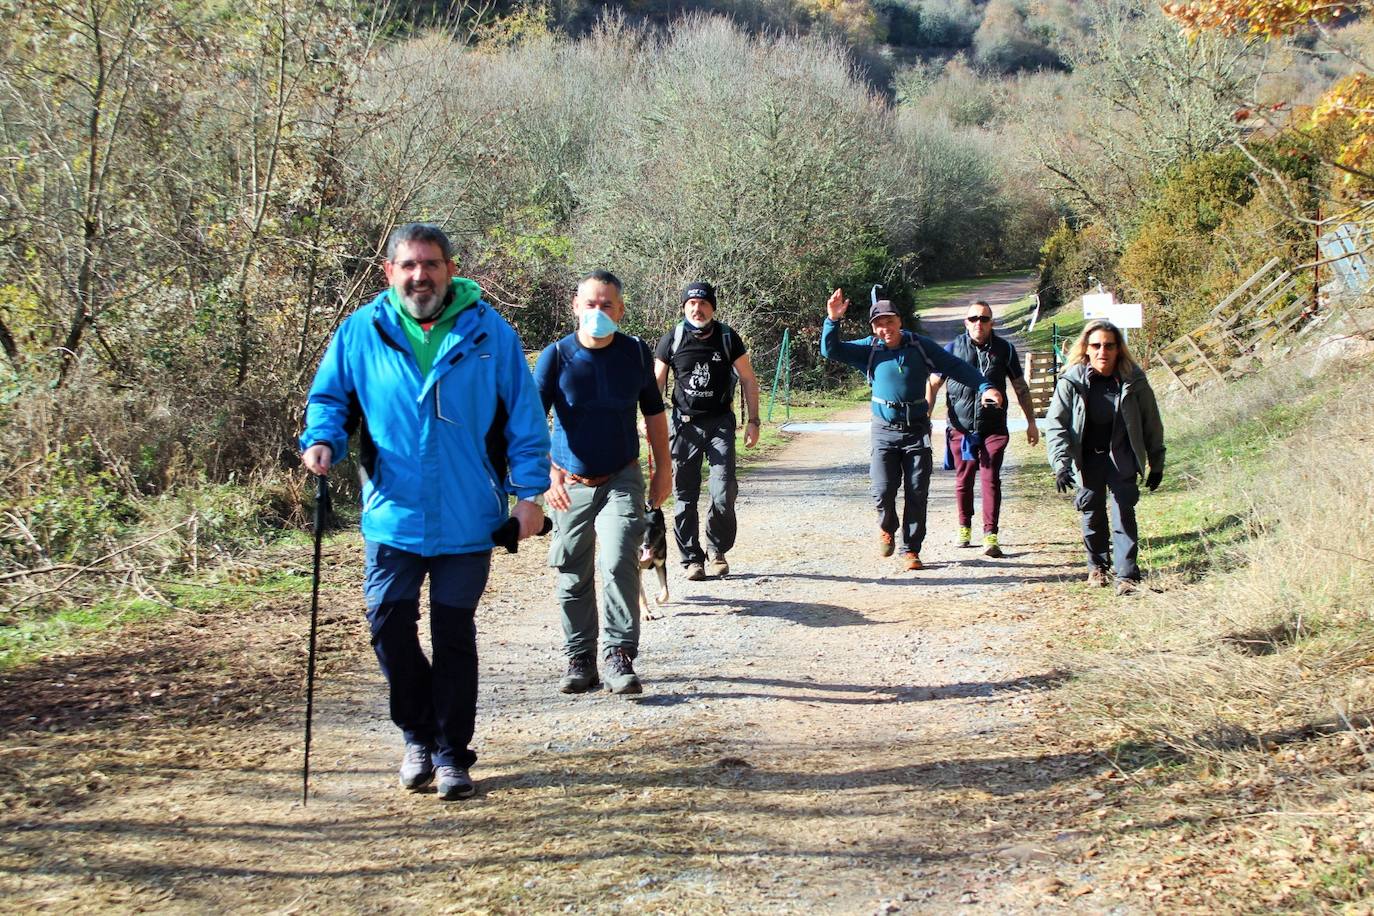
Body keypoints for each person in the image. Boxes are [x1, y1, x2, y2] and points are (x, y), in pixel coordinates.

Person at [300, 223, 550, 801]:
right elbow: (330, 401)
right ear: (390, 272)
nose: (421, 276)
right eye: (409, 265)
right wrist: (323, 441)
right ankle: (417, 734)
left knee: (453, 633)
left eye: (431, 264)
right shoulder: (361, 332)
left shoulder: (492, 333)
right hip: (392, 514)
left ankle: (452, 755)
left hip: (469, 517)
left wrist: (529, 494)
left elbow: (524, 421)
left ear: (450, 269)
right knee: (388, 627)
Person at [535, 271, 671, 696]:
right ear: (576, 307)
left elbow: (653, 414)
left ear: (621, 309)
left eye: (607, 305)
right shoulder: (555, 357)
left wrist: (663, 468)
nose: (598, 312)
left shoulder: (635, 353)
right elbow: (527, 422)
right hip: (569, 480)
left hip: (622, 477)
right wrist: (547, 472)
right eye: (590, 304)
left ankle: (619, 656)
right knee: (572, 571)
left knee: (618, 560)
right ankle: (580, 659)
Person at [820, 288, 1001, 570]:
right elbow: (830, 350)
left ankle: (911, 549)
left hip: (916, 430)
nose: (885, 328)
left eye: (889, 321)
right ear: (873, 327)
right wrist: (832, 319)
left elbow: (954, 366)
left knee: (917, 491)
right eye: (879, 324)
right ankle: (887, 526)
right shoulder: (869, 348)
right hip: (884, 430)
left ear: (900, 321)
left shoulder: (920, 346)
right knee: (883, 490)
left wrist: (984, 386)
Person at [1044, 320, 1166, 596]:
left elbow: (1151, 423)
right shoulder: (1071, 381)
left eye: (1109, 346)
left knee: (1124, 512)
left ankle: (1127, 576)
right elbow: (1056, 425)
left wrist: (1156, 463)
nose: (1103, 352)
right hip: (1086, 459)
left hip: (1121, 456)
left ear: (1118, 349)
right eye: (1096, 346)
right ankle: (1097, 567)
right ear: (1086, 349)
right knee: (1091, 512)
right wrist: (1061, 464)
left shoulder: (1133, 379)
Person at [653, 282, 762, 580]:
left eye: (703, 304)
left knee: (723, 491)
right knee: (684, 495)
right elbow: (656, 383)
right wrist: (650, 419)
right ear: (684, 307)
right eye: (691, 304)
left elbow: (749, 380)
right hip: (683, 427)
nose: (697, 309)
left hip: (720, 425)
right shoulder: (673, 338)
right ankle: (691, 559)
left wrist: (753, 421)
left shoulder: (727, 338)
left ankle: (717, 550)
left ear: (712, 307)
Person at [927, 299, 1041, 558]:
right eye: (974, 318)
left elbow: (1020, 387)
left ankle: (991, 535)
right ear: (966, 323)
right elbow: (933, 383)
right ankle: (964, 527)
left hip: (994, 428)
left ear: (992, 323)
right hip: (961, 428)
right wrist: (926, 415)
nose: (979, 323)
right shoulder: (952, 349)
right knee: (963, 479)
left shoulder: (1005, 350)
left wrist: (1031, 422)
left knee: (990, 479)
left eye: (984, 319)